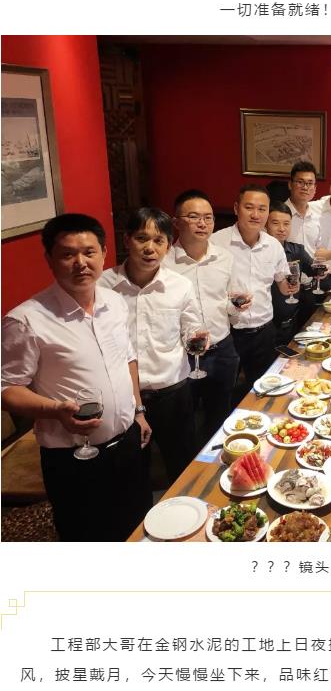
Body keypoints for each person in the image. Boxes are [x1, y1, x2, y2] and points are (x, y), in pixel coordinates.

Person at [1, 213, 152, 541]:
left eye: (89, 252)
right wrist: (56, 410)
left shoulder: (114, 302)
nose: (81, 263)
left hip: (127, 443)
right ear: (49, 259)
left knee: (139, 524)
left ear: (104, 253)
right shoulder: (26, 320)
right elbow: (8, 390)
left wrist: (139, 411)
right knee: (87, 536)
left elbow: (127, 358)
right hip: (73, 457)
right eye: (68, 254)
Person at [99, 207, 202, 484]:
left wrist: (197, 338)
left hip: (172, 391)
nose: (150, 248)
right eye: (142, 238)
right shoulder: (102, 287)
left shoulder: (179, 285)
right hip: (123, 396)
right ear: (126, 240)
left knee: (182, 466)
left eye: (159, 241)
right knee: (131, 474)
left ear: (168, 246)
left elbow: (190, 327)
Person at [162, 189, 241, 445]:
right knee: (183, 420)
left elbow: (227, 301)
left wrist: (237, 306)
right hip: (183, 354)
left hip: (222, 348)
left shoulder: (225, 257)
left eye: (208, 217)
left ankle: (216, 456)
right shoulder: (163, 263)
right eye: (194, 217)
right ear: (176, 222)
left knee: (220, 414)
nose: (202, 223)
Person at [212, 185, 294, 392]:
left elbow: (283, 286)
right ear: (236, 208)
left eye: (262, 209)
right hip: (228, 333)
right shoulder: (215, 243)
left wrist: (294, 285)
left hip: (263, 332)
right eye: (249, 207)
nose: (256, 215)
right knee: (226, 391)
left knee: (261, 389)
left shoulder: (273, 246)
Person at [266, 201, 314, 344]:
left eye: (286, 224)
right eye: (275, 223)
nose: (282, 229)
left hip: (292, 322)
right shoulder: (258, 254)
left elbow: (314, 269)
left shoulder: (297, 250)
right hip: (267, 326)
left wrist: (323, 270)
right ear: (266, 224)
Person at [285, 160, 321, 258]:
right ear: (290, 184)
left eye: (310, 183)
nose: (305, 187)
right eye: (300, 182)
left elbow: (317, 249)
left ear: (315, 188)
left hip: (313, 267)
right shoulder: (279, 214)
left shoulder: (317, 216)